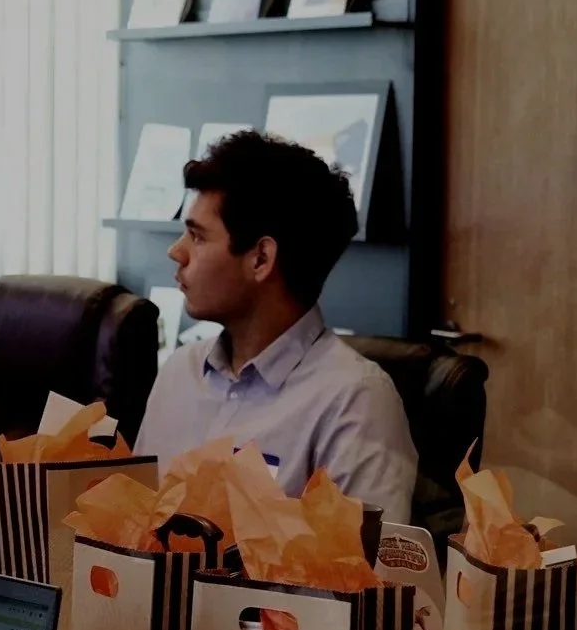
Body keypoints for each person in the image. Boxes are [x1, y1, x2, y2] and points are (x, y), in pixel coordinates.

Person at [135, 131, 419, 521]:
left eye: (198, 237)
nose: (176, 251)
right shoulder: (178, 374)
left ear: (261, 259)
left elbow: (366, 575)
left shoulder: (355, 401)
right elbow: (126, 535)